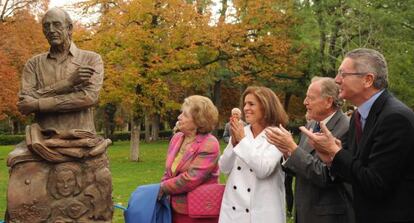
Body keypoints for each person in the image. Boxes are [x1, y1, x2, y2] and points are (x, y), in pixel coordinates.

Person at [300, 48, 414, 223]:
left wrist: (336, 153)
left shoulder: (395, 118)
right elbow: (355, 172)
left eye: (343, 74)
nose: (337, 80)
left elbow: (376, 183)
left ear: (368, 79)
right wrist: (332, 158)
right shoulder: (358, 118)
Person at [265, 77, 355, 223]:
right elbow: (301, 169)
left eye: (310, 98)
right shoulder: (310, 126)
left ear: (328, 101)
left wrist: (293, 149)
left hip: (330, 217)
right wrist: (286, 152)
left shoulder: (346, 128)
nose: (305, 102)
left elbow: (327, 176)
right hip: (305, 212)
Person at [218, 86, 288, 223]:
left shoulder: (277, 135)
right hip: (234, 212)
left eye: (251, 104)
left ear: (266, 106)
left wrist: (242, 141)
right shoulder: (242, 131)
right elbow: (224, 167)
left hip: (263, 213)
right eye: (245, 104)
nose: (245, 108)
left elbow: (263, 169)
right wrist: (233, 143)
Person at [160, 95, 220, 223]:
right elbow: (168, 171)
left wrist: (161, 188)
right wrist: (160, 193)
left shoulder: (209, 144)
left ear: (199, 121)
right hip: (172, 209)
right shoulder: (177, 138)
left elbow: (190, 179)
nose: (179, 117)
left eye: (185, 114)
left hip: (198, 212)